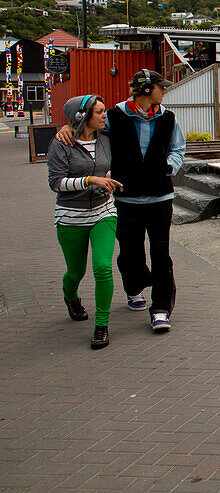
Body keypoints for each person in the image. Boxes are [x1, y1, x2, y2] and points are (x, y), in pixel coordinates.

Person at [58, 69, 185, 334]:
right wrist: (67, 127)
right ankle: (134, 287)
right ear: (147, 89)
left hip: (161, 196)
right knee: (130, 251)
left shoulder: (168, 117)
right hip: (126, 198)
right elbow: (88, 130)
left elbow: (178, 148)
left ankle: (161, 309)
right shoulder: (115, 117)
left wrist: (168, 168)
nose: (165, 90)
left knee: (161, 253)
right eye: (161, 86)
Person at [47, 95, 122, 349]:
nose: (105, 116)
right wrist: (90, 180)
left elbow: (110, 166)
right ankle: (70, 296)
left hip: (103, 212)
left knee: (102, 267)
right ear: (82, 116)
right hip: (71, 216)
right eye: (100, 112)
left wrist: (109, 178)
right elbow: (56, 183)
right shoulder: (61, 144)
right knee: (76, 271)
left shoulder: (106, 139)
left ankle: (101, 325)